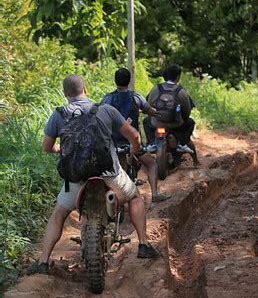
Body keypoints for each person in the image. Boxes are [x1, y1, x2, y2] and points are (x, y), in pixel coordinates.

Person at [27, 74, 159, 275]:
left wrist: (60, 150)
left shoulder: (59, 115)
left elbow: (46, 147)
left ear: (65, 94)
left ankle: (43, 262)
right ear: (85, 89)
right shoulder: (105, 110)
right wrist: (134, 149)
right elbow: (134, 135)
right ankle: (143, 244)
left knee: (59, 214)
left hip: (77, 180)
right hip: (111, 176)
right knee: (135, 197)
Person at [102, 67, 170, 203]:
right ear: (130, 80)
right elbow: (149, 110)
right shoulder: (135, 97)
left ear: (115, 81)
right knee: (152, 164)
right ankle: (155, 194)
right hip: (133, 143)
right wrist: (153, 112)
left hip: (114, 144)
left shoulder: (107, 98)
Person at [143, 64, 200, 165]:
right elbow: (187, 111)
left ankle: (151, 143)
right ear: (178, 77)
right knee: (190, 122)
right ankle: (182, 144)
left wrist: (153, 115)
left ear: (166, 75)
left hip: (157, 123)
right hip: (175, 124)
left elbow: (148, 105)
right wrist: (183, 119)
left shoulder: (156, 88)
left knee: (146, 121)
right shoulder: (181, 91)